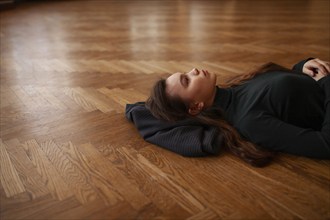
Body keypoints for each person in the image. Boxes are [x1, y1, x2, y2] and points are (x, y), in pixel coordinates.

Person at [145, 58, 330, 167]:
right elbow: (325, 145)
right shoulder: (250, 122)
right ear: (195, 107)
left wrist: (303, 66)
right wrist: (326, 83)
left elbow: (296, 98)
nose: (193, 70)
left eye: (185, 72)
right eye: (187, 80)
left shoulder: (239, 84)